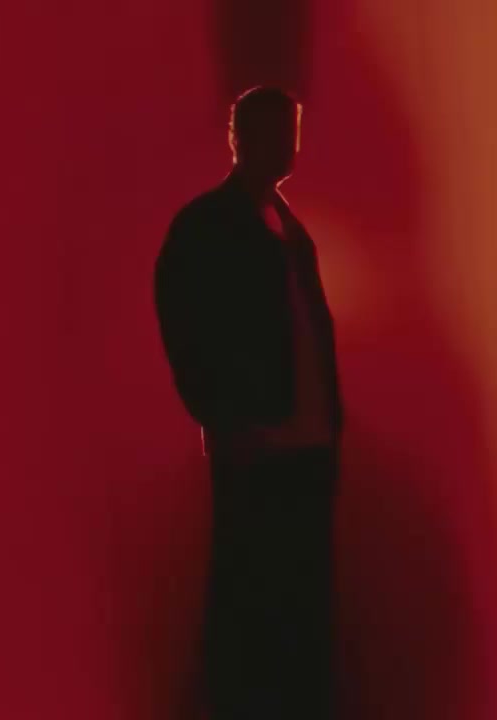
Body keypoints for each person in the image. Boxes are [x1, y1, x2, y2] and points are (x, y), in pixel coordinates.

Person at [154, 86, 343, 720]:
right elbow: (181, 316)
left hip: (304, 440)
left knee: (294, 594)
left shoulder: (283, 223)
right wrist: (220, 413)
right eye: (278, 132)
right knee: (252, 590)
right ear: (241, 139)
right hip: (260, 441)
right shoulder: (210, 225)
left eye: (292, 132)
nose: (290, 146)